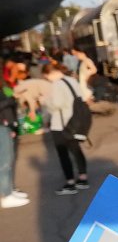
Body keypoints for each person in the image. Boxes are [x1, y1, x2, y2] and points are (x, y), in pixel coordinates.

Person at [41, 62, 88, 196]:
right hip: (75, 122)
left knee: (63, 154)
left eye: (46, 77)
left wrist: (45, 100)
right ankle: (83, 178)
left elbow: (56, 104)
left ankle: (70, 183)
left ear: (49, 74)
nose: (47, 80)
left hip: (61, 124)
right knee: (76, 150)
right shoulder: (72, 80)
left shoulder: (56, 84)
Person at [1, 70, 29, 209]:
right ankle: (6, 195)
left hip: (5, 125)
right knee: (4, 162)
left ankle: (9, 191)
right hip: (2, 126)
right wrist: (11, 99)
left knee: (8, 160)